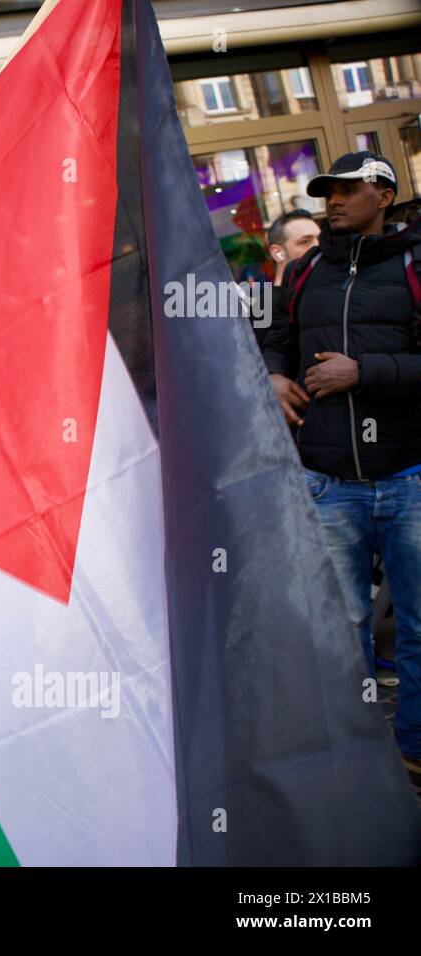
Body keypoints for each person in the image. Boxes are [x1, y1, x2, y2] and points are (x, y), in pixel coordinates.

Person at [261, 151, 421, 775]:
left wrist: (365, 372)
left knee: (416, 625)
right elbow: (273, 337)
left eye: (348, 190)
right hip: (327, 485)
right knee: (343, 627)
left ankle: (412, 750)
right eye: (327, 191)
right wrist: (274, 375)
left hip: (408, 478)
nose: (333, 201)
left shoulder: (413, 267)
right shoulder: (303, 273)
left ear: (383, 196)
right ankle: (361, 761)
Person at [254, 210, 321, 348]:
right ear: (278, 253)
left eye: (320, 239)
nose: (318, 247)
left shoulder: (319, 291)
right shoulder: (266, 306)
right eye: (305, 241)